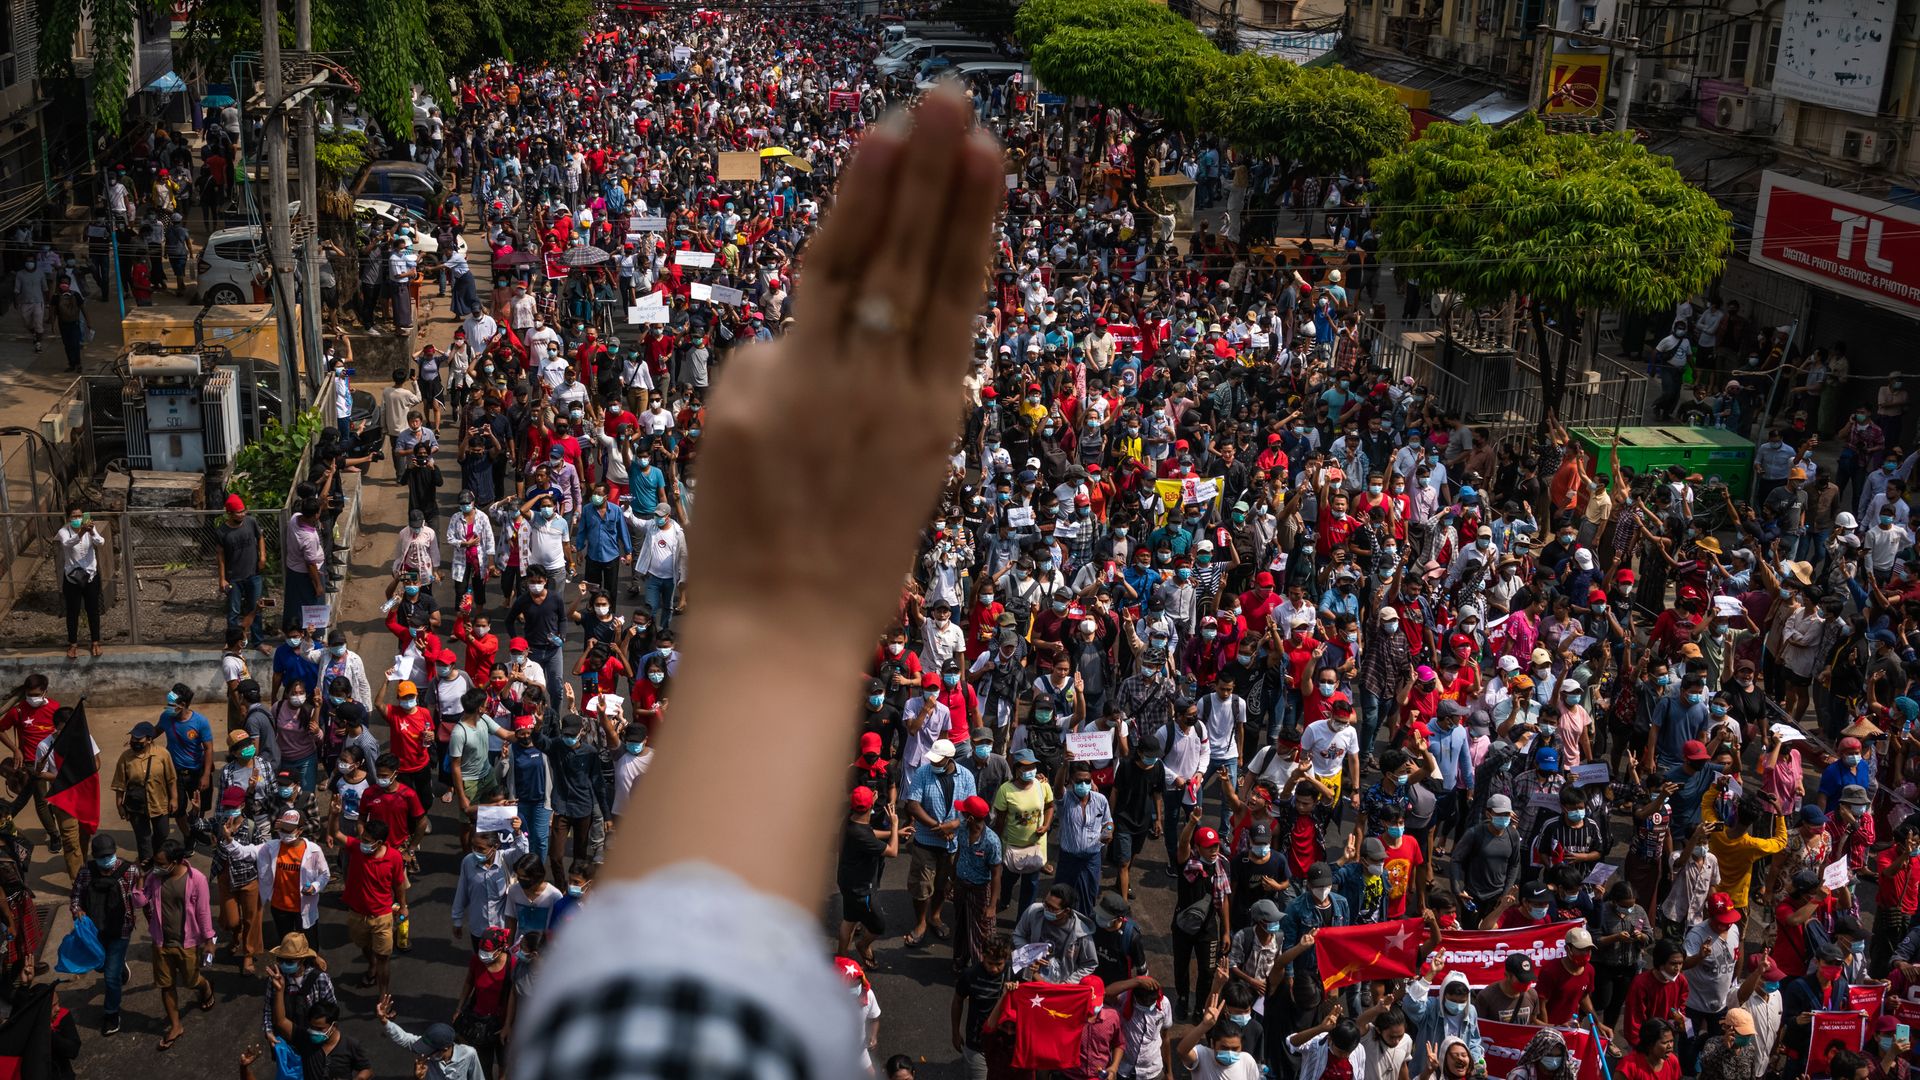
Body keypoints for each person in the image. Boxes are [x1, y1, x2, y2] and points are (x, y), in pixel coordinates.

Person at [143, 838, 217, 1050]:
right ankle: (176, 1026)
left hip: (187, 943)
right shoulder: (154, 877)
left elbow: (203, 912)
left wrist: (209, 941)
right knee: (166, 985)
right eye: (156, 862)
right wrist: (141, 878)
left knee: (192, 981)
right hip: (161, 942)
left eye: (161, 863)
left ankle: (206, 987)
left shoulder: (197, 880)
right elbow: (139, 901)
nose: (157, 867)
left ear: (176, 861)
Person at [113, 720, 175, 862]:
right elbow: (119, 784)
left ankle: (156, 858)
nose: (134, 741)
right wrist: (119, 806)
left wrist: (174, 799)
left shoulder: (162, 754)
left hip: (159, 803)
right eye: (133, 738)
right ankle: (146, 869)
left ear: (149, 739)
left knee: (163, 833)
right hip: (136, 806)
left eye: (138, 738)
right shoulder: (125, 757)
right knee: (143, 840)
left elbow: (171, 779)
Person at [55, 503, 106, 658]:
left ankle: (95, 642)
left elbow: (100, 542)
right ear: (68, 518)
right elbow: (67, 544)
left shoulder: (90, 528)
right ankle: (73, 644)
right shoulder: (64, 531)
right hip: (73, 578)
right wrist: (81, 533)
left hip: (90, 576)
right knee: (72, 611)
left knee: (93, 610)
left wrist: (91, 532)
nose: (77, 519)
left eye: (79, 516)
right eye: (74, 516)